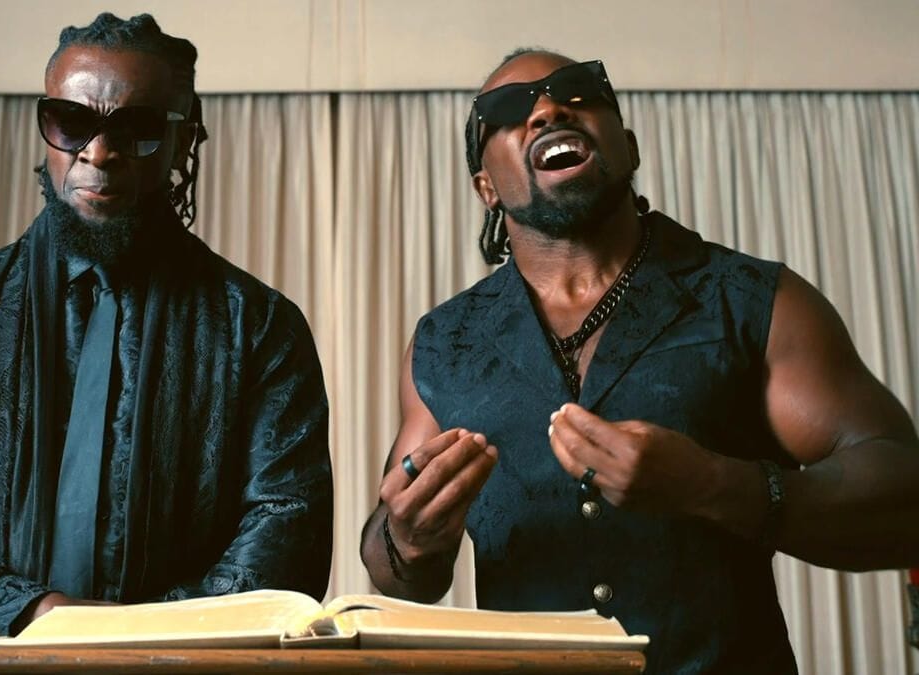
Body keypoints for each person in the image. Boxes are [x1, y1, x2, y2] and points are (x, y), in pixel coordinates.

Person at [360, 48, 919, 673]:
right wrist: (407, 538)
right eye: (509, 109)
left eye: (578, 89)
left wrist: (714, 484)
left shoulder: (755, 301)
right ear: (486, 187)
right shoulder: (445, 342)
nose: (548, 110)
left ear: (627, 146)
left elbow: (903, 498)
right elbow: (396, 570)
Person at [0, 13, 332, 674]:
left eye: (136, 128)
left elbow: (288, 536)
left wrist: (139, 642)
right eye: (70, 122)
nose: (98, 153)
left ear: (183, 142)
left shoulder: (261, 328)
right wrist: (33, 613)